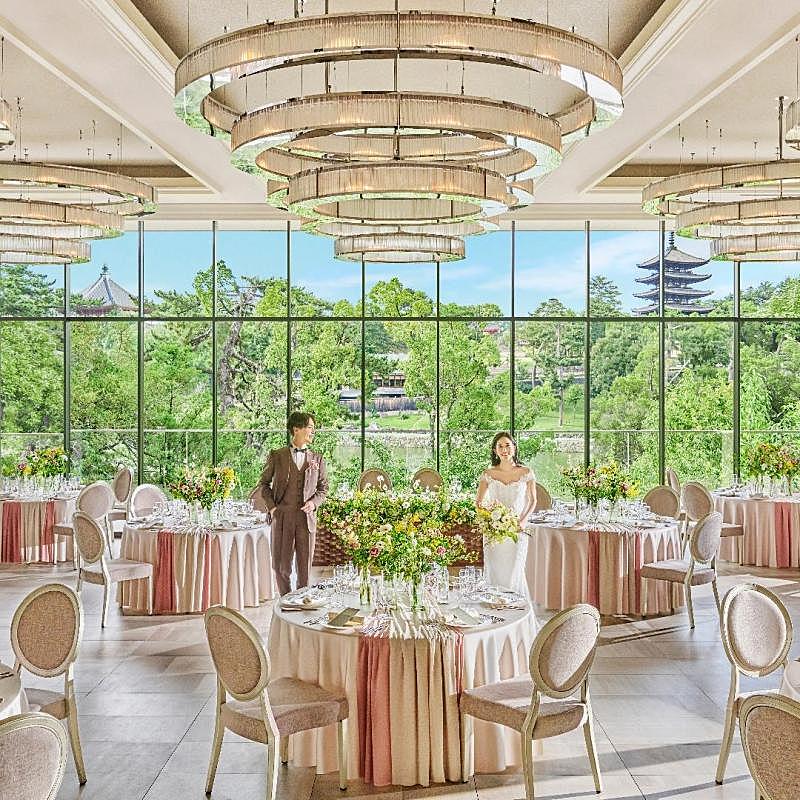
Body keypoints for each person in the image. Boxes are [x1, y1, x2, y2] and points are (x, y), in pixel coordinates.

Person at [258, 411, 328, 595]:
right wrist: (272, 508)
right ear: (296, 429)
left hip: (306, 520)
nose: (313, 431)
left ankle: (302, 601)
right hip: (283, 518)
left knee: (304, 569)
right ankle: (285, 601)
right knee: (281, 567)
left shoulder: (317, 459)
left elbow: (323, 489)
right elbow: (264, 484)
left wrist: (313, 503)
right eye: (310, 427)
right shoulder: (277, 456)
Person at [475, 432, 537, 595]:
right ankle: (494, 605)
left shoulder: (526, 472)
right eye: (500, 446)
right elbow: (479, 503)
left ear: (514, 448)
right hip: (493, 532)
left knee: (514, 572)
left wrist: (523, 521)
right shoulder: (488, 474)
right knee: (494, 571)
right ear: (495, 451)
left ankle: (515, 607)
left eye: (507, 445)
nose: (504, 450)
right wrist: (491, 519)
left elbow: (532, 501)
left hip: (517, 530)